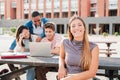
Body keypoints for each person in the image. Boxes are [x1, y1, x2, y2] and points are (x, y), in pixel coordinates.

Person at [57, 15, 99, 80]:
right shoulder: (64, 43)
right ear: (70, 30)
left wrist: (70, 79)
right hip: (67, 77)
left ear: (84, 28)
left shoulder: (94, 47)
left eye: (79, 25)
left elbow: (92, 73)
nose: (76, 28)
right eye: (73, 26)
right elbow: (61, 57)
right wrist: (61, 67)